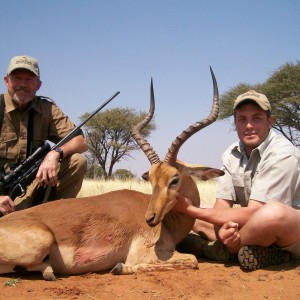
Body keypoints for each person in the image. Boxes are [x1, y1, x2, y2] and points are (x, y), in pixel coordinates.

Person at [174, 90, 300, 271]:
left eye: (256, 118)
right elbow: (221, 208)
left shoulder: (283, 153)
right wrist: (223, 231)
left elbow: (255, 213)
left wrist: (189, 209)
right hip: (253, 227)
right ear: (235, 124)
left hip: (290, 232)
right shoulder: (232, 153)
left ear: (270, 121)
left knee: (273, 213)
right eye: (242, 119)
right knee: (193, 212)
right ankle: (251, 249)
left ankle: (224, 250)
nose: (249, 125)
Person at [0, 55, 88, 215]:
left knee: (77, 161)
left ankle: (56, 219)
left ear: (38, 85)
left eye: (29, 79)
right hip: (2, 194)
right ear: (6, 81)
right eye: (17, 78)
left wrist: (55, 154)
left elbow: (81, 142)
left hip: (30, 186)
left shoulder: (47, 109)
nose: (22, 84)